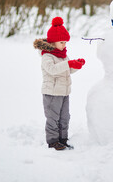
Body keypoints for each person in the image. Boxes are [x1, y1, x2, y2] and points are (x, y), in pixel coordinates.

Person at [33, 17, 85, 150]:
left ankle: (63, 139)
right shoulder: (47, 56)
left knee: (64, 117)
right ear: (53, 42)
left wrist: (76, 65)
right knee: (53, 118)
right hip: (51, 93)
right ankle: (53, 141)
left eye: (65, 42)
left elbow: (67, 70)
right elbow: (53, 70)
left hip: (64, 92)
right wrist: (68, 63)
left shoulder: (62, 55)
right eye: (62, 42)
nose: (64, 45)